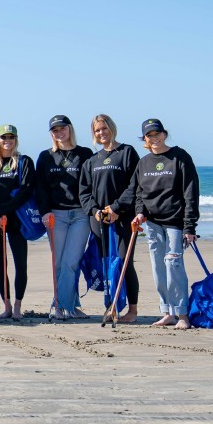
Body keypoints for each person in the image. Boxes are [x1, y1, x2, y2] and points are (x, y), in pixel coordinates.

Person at [125, 119, 200, 330]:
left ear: (164, 134)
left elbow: (191, 192)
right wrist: (140, 213)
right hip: (153, 224)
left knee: (173, 265)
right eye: (149, 135)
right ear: (145, 139)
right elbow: (139, 192)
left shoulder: (180, 157)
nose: (154, 137)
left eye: (157, 133)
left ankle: (183, 314)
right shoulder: (144, 162)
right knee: (158, 268)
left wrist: (190, 226)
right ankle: (167, 312)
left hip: (175, 223)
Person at [79, 114, 140, 323]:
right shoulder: (91, 161)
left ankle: (132, 310)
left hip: (123, 218)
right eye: (97, 130)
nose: (101, 133)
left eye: (104, 128)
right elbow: (84, 192)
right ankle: (111, 306)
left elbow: (135, 185)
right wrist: (95, 211)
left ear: (111, 128)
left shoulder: (127, 152)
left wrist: (115, 208)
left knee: (123, 262)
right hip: (99, 220)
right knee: (106, 264)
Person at [35, 114, 94, 320]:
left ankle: (60, 306)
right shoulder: (46, 156)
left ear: (70, 129)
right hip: (55, 215)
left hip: (80, 215)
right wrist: (45, 212)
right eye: (55, 130)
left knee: (71, 262)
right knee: (59, 263)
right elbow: (39, 188)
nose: (59, 133)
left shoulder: (85, 153)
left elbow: (92, 184)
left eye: (62, 128)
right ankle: (72, 306)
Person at [0, 125, 35, 322]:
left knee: (21, 264)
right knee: (0, 264)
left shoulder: (24, 161)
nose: (8, 140)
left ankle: (18, 305)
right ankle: (7, 305)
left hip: (17, 220)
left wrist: (3, 210)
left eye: (11, 137)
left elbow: (26, 191)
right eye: (4, 137)